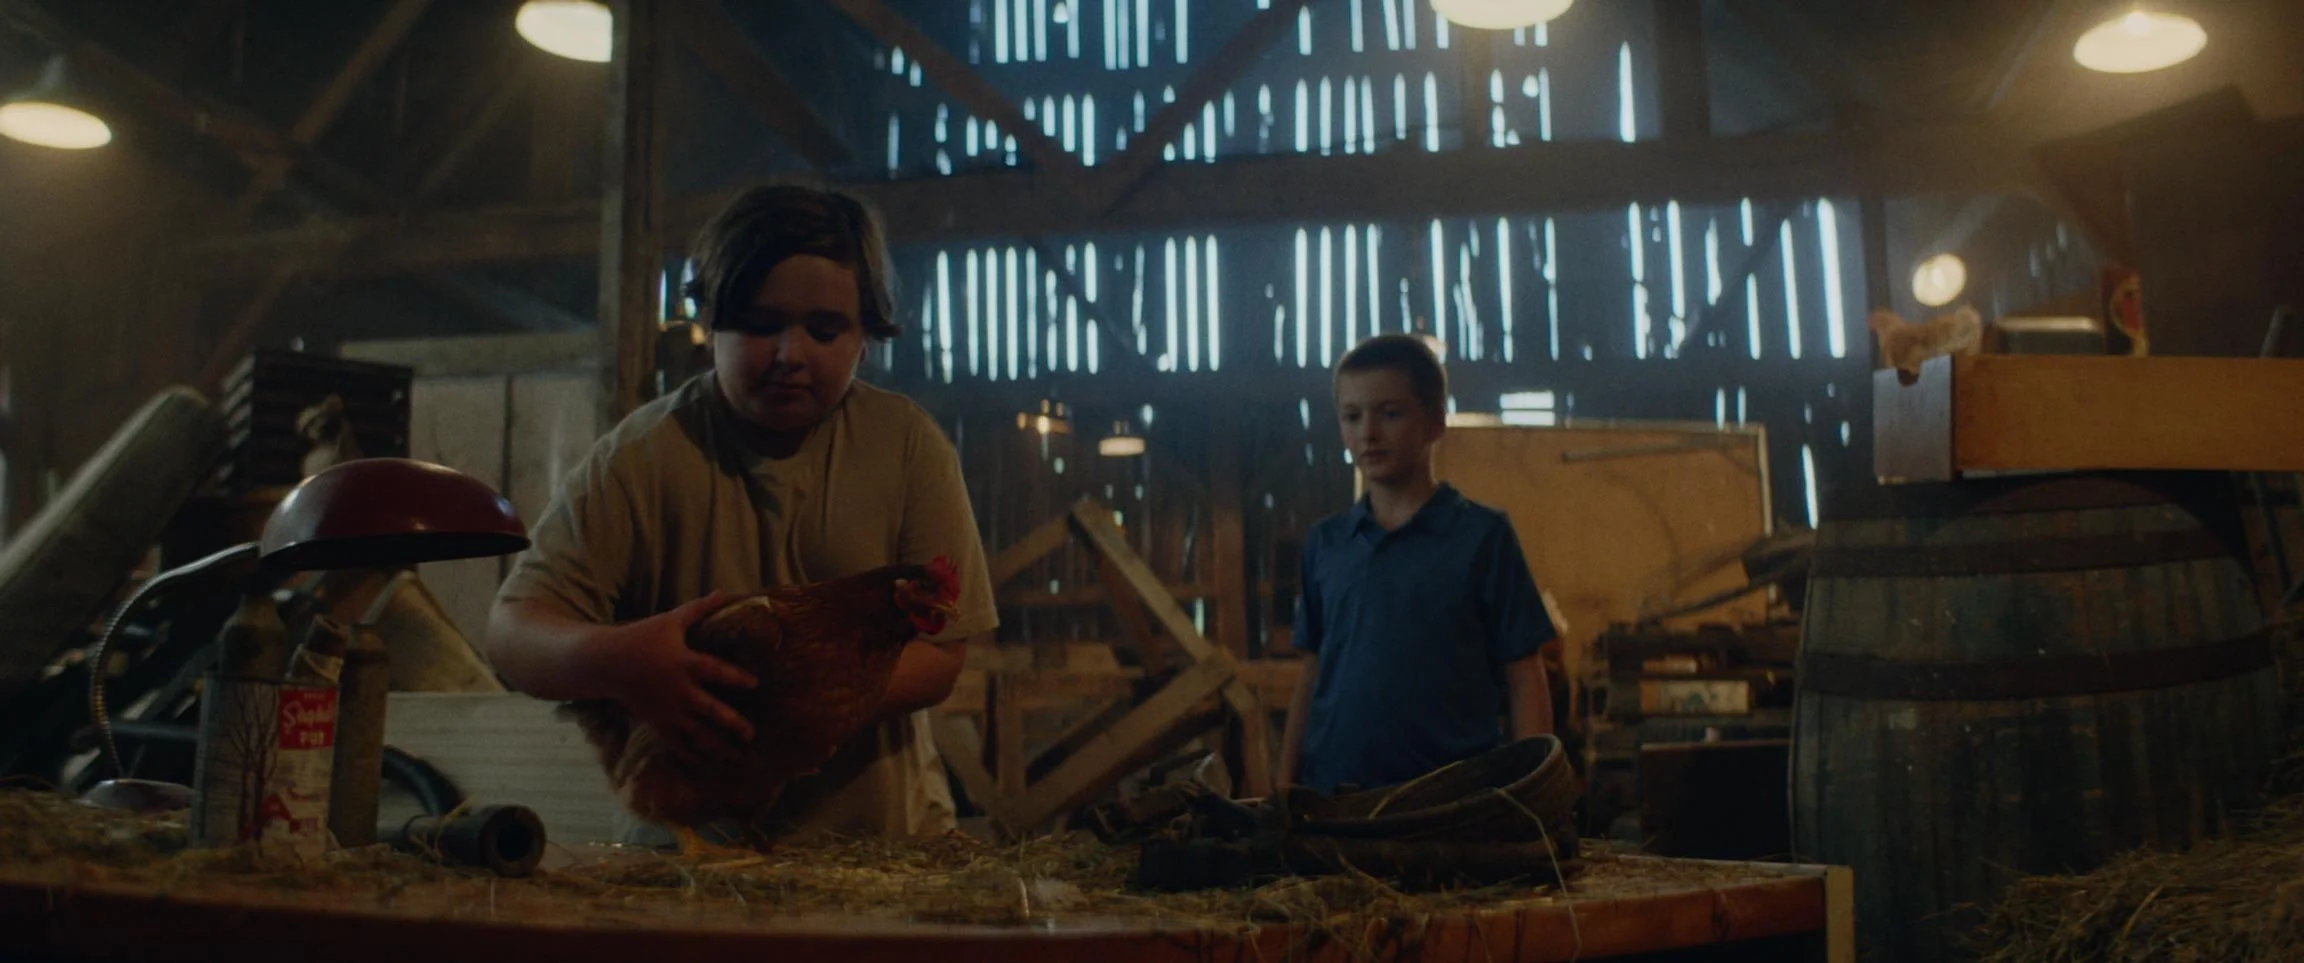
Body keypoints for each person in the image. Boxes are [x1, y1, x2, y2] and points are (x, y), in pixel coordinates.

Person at [482, 183, 997, 842]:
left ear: (864, 337)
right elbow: (511, 632)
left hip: (878, 848)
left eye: (825, 327)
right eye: (760, 322)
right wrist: (618, 660)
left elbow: (944, 650)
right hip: (686, 856)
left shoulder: (907, 448)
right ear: (713, 324)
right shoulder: (643, 456)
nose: (791, 353)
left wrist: (805, 694)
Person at [1278, 333, 1555, 794]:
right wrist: (1284, 782)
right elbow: (1312, 670)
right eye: (1352, 416)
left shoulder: (1482, 537)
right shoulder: (1327, 544)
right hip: (1334, 798)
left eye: (1390, 413)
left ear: (1435, 422)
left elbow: (1524, 673)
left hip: (1450, 800)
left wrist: (1530, 790)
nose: (1368, 432)